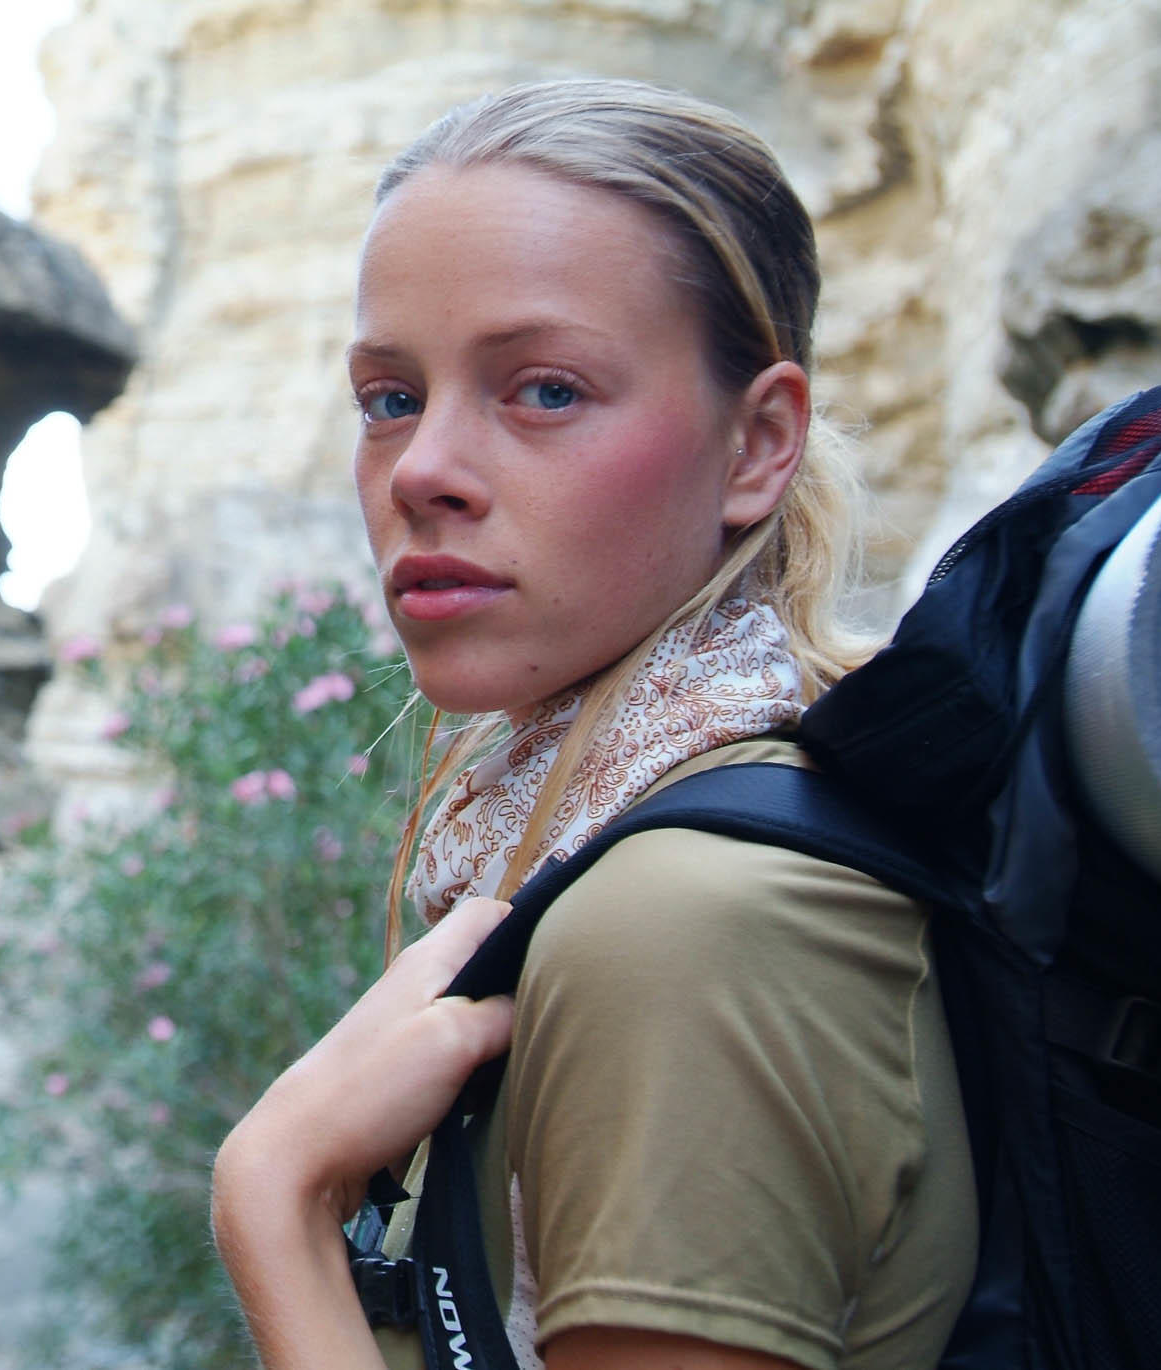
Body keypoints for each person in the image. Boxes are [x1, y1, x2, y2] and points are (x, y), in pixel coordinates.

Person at [211, 79, 977, 1370]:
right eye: (388, 397)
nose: (419, 470)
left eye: (544, 390)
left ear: (756, 445)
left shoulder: (692, 919)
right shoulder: (593, 857)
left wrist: (271, 1203)